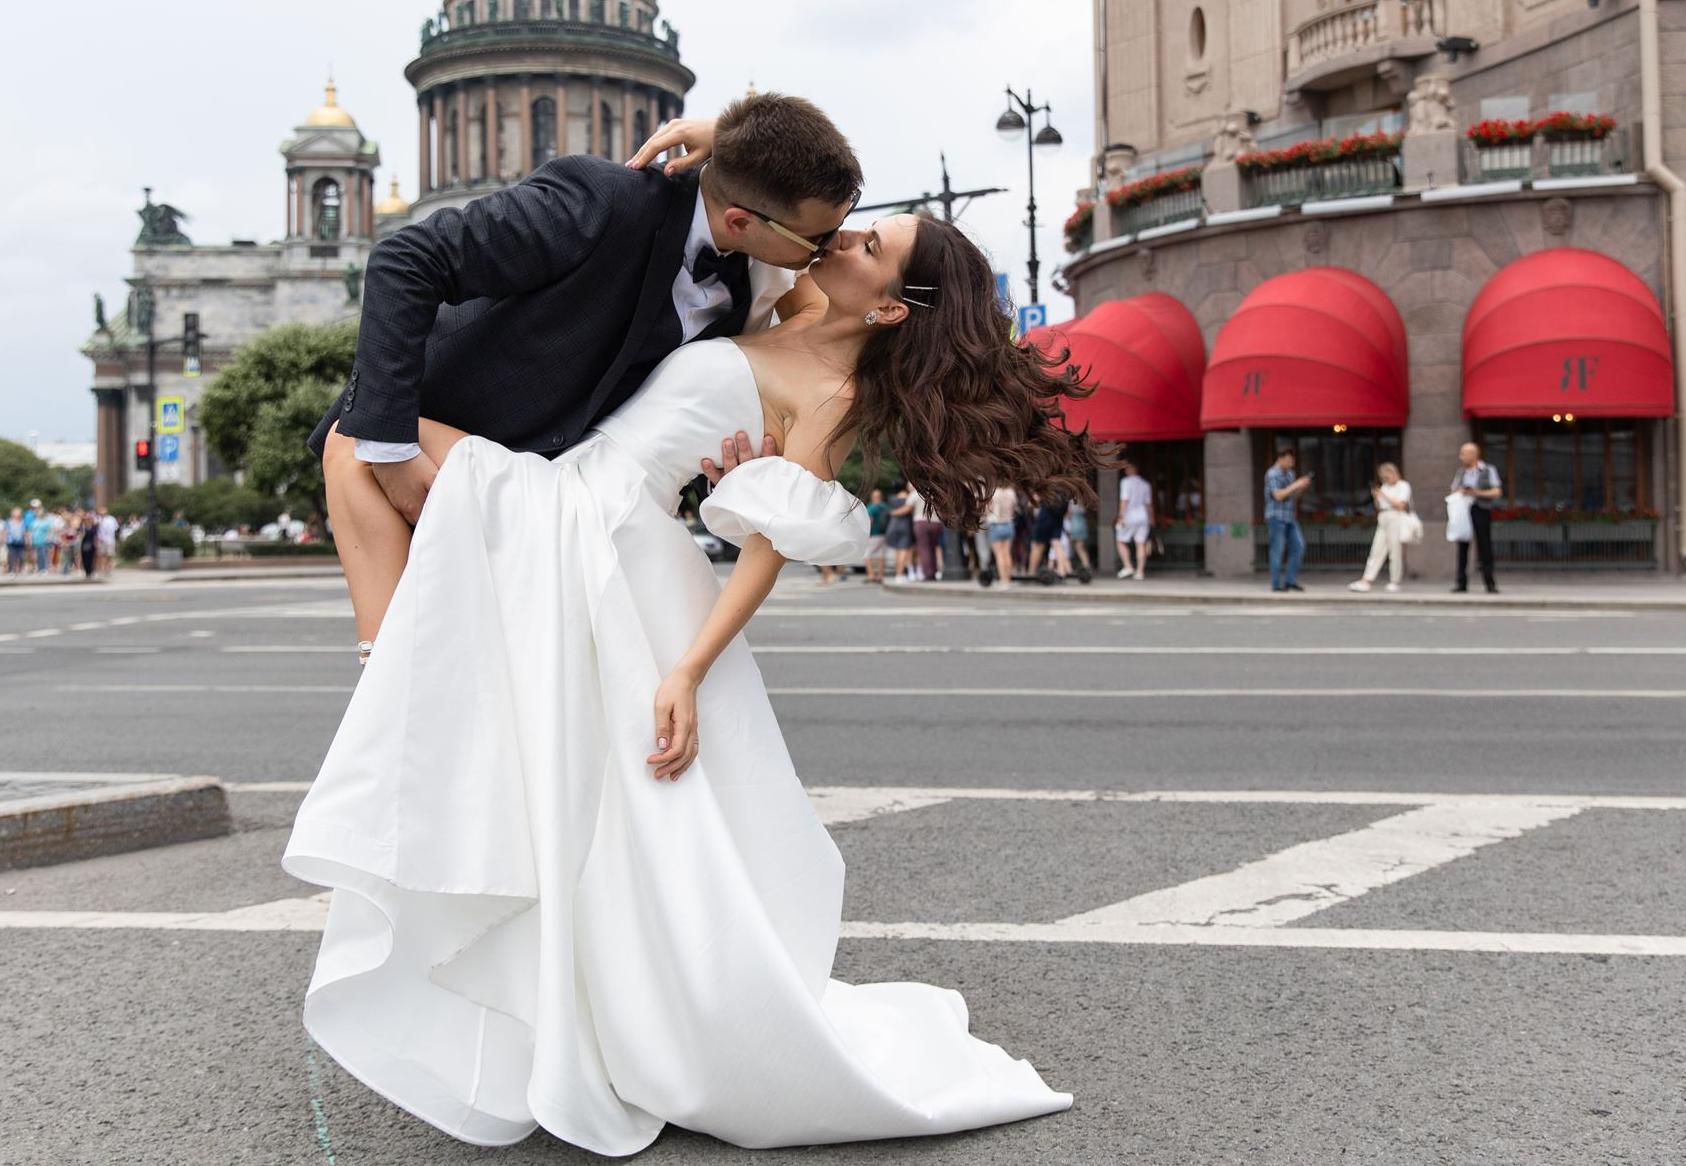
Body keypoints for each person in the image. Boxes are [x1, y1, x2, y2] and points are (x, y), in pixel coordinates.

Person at [283, 205, 1098, 1155]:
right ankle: (395, 688)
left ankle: (389, 684)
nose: (846, 238)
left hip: (597, 530)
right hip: (581, 501)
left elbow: (763, 548)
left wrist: (690, 669)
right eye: (860, 226)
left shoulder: (834, 390)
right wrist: (722, 136)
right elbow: (765, 189)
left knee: (358, 439)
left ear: (890, 313)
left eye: (872, 248)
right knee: (584, 800)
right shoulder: (785, 296)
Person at [313, 93, 861, 668]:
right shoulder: (602, 200)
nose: (830, 247)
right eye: (818, 240)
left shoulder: (752, 280)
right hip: (430, 458)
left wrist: (724, 475)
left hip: (569, 493)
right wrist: (392, 450)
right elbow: (405, 259)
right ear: (740, 220)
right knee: (404, 672)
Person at [1349, 461, 1413, 593]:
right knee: (1377, 549)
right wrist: (1376, 497)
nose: (1387, 478)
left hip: (1395, 517)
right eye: (1384, 476)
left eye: (1388, 475)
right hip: (1383, 517)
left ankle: (1395, 581)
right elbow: (1379, 506)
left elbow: (1400, 505)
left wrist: (1384, 496)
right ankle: (1367, 580)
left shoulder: (1403, 486)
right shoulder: (1385, 486)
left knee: (1395, 551)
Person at [1450, 441, 1503, 593]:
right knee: (1462, 546)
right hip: (1463, 510)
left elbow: (1496, 491)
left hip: (1481, 508)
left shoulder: (1487, 470)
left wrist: (1477, 493)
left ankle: (1489, 582)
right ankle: (1461, 582)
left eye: (1464, 454)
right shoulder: (1460, 472)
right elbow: (1452, 489)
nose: (1461, 457)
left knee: (1484, 545)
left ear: (1474, 455)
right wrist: (1461, 491)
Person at [1264, 448, 1312, 593]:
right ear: (1281, 458)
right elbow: (1278, 495)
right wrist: (1295, 485)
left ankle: (1290, 581)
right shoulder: (1272, 474)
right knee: (1277, 550)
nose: (1291, 464)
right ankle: (1276, 584)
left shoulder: (1290, 474)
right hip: (1276, 517)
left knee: (1298, 547)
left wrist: (1302, 487)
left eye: (1293, 462)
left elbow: (1294, 495)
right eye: (1289, 461)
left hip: (1289, 517)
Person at [976, 482, 1019, 586]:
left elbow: (988, 510)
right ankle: (1008, 578)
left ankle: (1003, 579)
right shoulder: (1011, 492)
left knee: (999, 555)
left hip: (996, 525)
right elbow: (1014, 508)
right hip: (1009, 524)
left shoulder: (995, 493)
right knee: (1007, 553)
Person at [1115, 459, 1151, 578]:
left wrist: (1121, 516)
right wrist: (1152, 519)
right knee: (1140, 543)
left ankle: (1128, 566)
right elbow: (1148, 504)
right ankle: (1140, 572)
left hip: (1130, 515)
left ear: (1129, 470)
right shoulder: (1145, 484)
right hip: (1143, 515)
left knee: (1120, 540)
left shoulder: (1126, 482)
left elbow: (1125, 500)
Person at [883, 481, 917, 581]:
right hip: (905, 526)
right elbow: (911, 511)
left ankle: (897, 574)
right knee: (904, 551)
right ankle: (900, 575)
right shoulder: (909, 497)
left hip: (892, 526)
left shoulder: (891, 498)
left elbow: (890, 511)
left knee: (897, 551)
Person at [911, 490, 944, 580]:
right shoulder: (937, 492)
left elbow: (909, 507)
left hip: (921, 521)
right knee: (932, 547)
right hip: (936, 523)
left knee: (924, 548)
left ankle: (928, 573)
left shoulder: (916, 493)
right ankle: (934, 571)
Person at [862, 486, 889, 582]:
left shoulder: (872, 507)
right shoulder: (886, 507)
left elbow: (870, 520)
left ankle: (871, 575)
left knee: (866, 555)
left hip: (874, 534)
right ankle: (880, 576)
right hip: (884, 534)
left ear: (873, 497)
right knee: (881, 555)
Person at [1064, 495, 1094, 581]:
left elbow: (1069, 511)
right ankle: (1086, 565)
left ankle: (1067, 567)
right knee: (1080, 547)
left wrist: (1065, 521)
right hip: (1081, 520)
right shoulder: (1083, 497)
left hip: (1074, 521)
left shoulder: (1073, 497)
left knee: (1067, 545)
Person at [95, 508, 118, 579]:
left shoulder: (112, 519)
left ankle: (108, 570)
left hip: (110, 540)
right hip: (101, 541)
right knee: (101, 555)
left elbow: (115, 529)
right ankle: (103, 569)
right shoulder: (97, 519)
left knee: (109, 556)